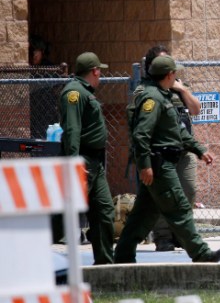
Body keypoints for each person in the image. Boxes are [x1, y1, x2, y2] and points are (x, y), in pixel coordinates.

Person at [114, 55, 220, 264]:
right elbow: (141, 135)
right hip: (159, 164)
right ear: (169, 75)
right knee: (179, 207)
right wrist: (145, 165)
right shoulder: (152, 99)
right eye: (175, 72)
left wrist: (199, 150)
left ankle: (122, 255)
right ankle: (200, 253)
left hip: (163, 162)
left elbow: (177, 132)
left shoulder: (162, 95)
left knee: (142, 216)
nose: (177, 76)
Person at [128, 45, 203, 252]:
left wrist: (181, 89)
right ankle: (163, 237)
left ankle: (180, 234)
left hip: (183, 150)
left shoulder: (178, 86)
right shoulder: (145, 91)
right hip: (160, 153)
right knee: (161, 196)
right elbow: (139, 127)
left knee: (188, 191)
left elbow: (196, 110)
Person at [58, 52, 115, 265]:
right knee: (63, 214)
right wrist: (73, 165)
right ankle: (31, 251)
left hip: (95, 163)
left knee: (104, 211)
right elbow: (72, 131)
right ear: (94, 71)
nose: (101, 75)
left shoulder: (85, 91)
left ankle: (105, 263)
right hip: (83, 161)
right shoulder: (74, 93)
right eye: (100, 71)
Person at [29, 35, 61, 140]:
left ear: (42, 52)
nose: (33, 55)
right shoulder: (28, 69)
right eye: (31, 51)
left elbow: (57, 88)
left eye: (35, 51)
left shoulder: (49, 68)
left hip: (47, 112)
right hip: (33, 112)